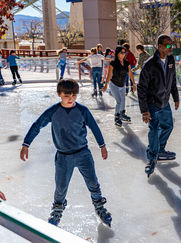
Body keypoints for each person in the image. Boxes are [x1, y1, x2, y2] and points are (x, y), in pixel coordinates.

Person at [20, 79, 112, 227]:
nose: (71, 99)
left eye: (74, 95)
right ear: (59, 94)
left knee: (93, 183)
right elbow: (37, 125)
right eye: (67, 95)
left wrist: (102, 145)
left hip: (83, 154)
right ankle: (57, 211)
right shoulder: (53, 111)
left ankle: (99, 206)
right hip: (63, 157)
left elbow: (94, 127)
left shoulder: (83, 111)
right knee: (61, 188)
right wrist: (26, 144)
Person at [137, 34, 179, 177]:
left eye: (171, 45)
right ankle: (152, 157)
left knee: (168, 126)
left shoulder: (171, 60)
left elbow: (172, 81)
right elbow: (141, 88)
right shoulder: (149, 64)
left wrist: (176, 97)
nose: (170, 48)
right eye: (167, 45)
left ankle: (160, 149)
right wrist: (144, 111)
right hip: (152, 103)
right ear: (159, 46)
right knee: (154, 129)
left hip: (164, 101)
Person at [103, 46, 136, 127]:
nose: (123, 54)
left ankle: (122, 114)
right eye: (122, 52)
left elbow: (130, 73)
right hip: (114, 84)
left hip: (122, 84)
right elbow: (109, 75)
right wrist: (106, 85)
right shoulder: (113, 63)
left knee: (123, 100)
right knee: (119, 101)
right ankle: (116, 117)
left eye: (125, 52)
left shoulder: (126, 63)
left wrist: (134, 84)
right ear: (117, 53)